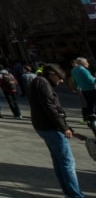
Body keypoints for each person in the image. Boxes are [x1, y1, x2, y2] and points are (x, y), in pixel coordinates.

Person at [27, 63, 85, 198]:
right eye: (60, 77)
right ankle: (75, 195)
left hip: (44, 126)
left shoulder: (39, 82)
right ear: (52, 74)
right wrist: (64, 127)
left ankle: (69, 192)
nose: (61, 81)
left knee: (59, 161)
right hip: (51, 127)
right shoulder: (43, 84)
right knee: (67, 163)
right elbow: (50, 107)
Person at [71, 57, 96, 125]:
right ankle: (92, 120)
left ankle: (90, 120)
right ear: (82, 63)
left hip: (83, 90)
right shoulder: (83, 70)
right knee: (92, 105)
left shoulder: (73, 70)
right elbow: (91, 80)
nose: (88, 64)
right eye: (86, 62)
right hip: (91, 89)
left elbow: (74, 81)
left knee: (88, 105)